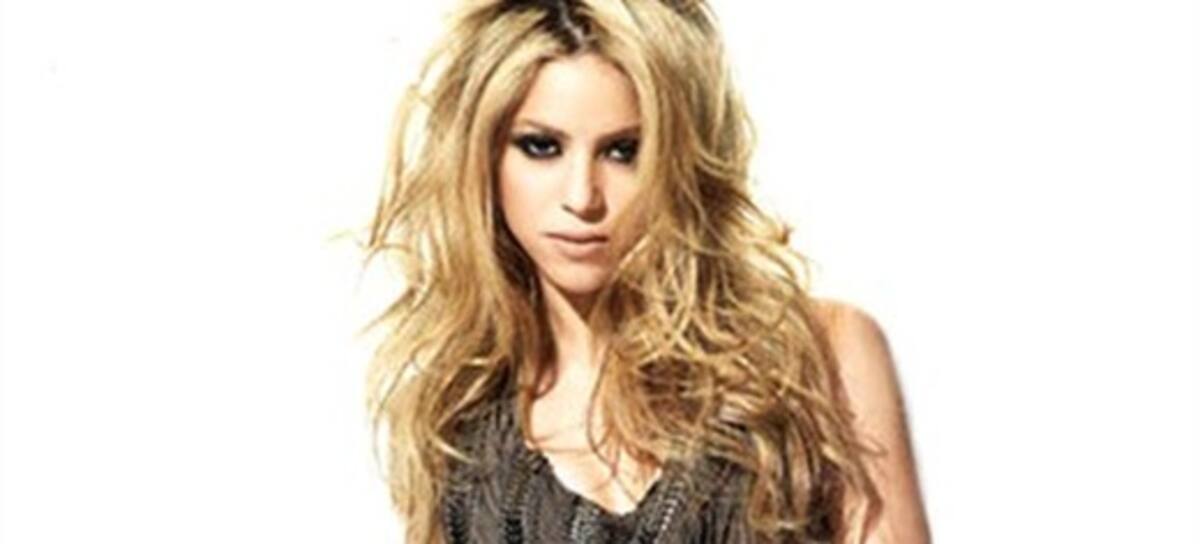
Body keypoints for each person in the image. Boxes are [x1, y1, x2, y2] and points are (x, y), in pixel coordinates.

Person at [360, 0, 930, 542]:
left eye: (624, 151)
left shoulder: (821, 356)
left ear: (679, 159)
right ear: (484, 159)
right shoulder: (456, 430)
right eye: (541, 147)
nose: (582, 197)